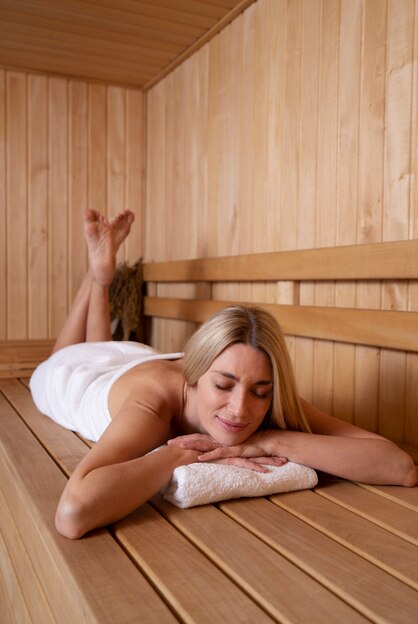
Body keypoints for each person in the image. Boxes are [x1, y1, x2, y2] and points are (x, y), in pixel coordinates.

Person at [30, 210, 416, 540]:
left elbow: (398, 467)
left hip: (137, 357)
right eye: (223, 386)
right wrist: (178, 454)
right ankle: (95, 278)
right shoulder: (152, 406)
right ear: (194, 375)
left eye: (260, 391)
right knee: (69, 356)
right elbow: (72, 514)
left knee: (104, 347)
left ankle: (100, 279)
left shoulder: (257, 395)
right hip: (81, 380)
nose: (240, 409)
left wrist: (271, 441)